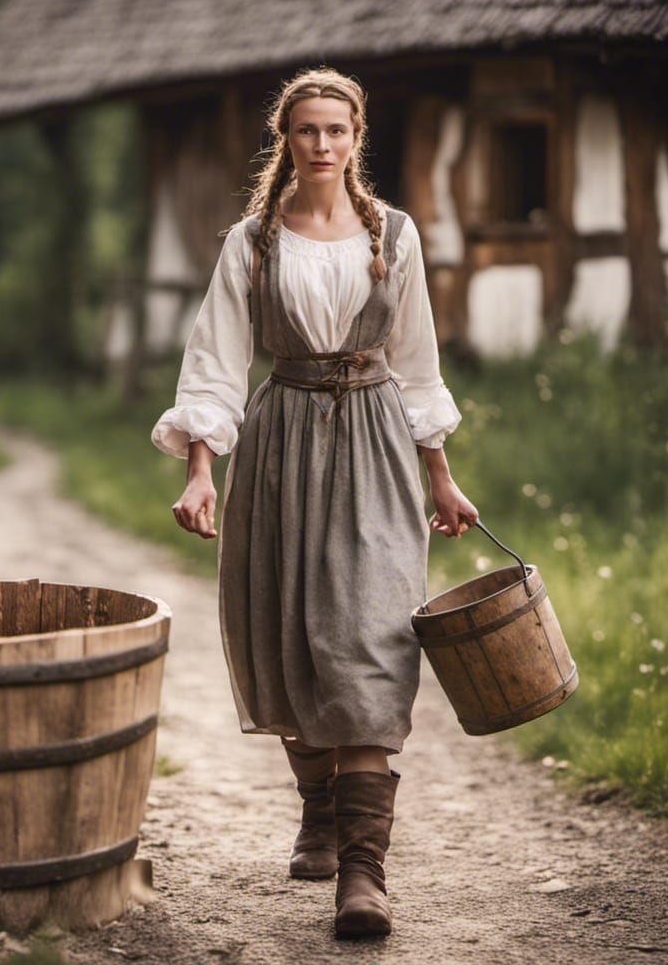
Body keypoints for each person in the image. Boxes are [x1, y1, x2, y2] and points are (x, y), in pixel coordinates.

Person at [150, 66, 479, 939]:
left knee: (370, 636)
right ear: (285, 139)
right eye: (307, 131)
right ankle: (319, 809)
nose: (323, 145)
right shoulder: (252, 242)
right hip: (282, 440)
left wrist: (439, 474)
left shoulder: (394, 235)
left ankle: (364, 878)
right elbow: (216, 363)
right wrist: (199, 468)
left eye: (337, 130)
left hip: (374, 445)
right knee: (291, 633)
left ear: (357, 137)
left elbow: (416, 361)